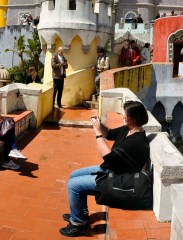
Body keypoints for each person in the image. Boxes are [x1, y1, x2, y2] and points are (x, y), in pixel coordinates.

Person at [60, 101, 150, 237]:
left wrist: (97, 133)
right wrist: (99, 125)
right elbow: (109, 133)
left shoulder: (136, 141)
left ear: (133, 118)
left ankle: (77, 224)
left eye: (125, 115)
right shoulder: (129, 129)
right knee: (74, 175)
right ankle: (81, 214)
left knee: (73, 185)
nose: (123, 117)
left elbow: (108, 156)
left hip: (116, 178)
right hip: (109, 170)